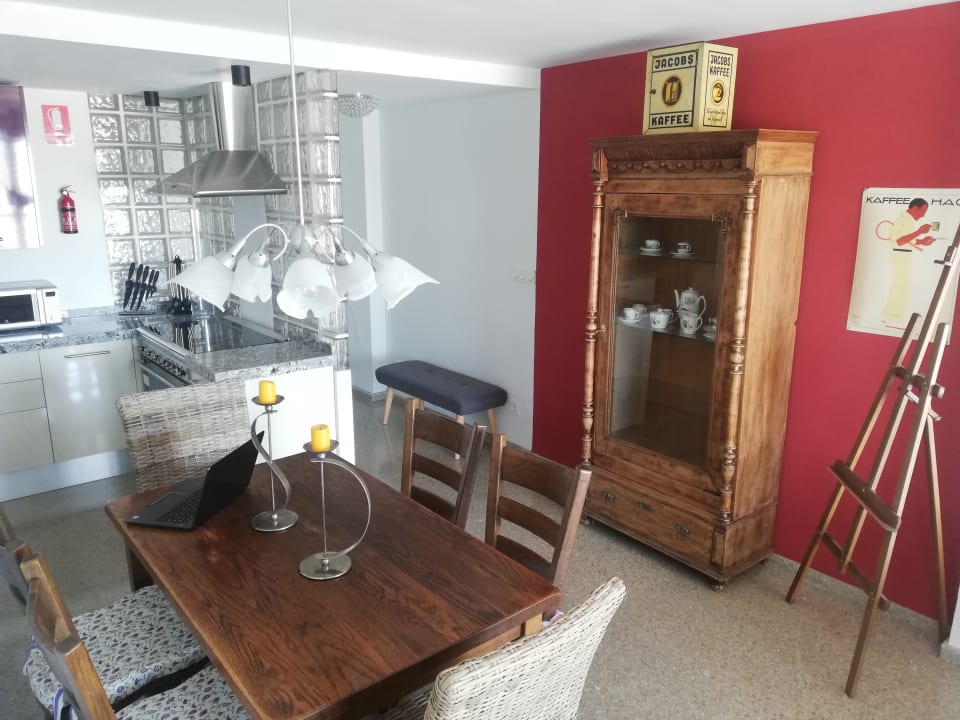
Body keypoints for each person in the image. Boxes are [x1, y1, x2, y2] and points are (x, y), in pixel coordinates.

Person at [881, 197, 934, 328]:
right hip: (900, 255)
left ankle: (891, 317)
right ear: (915, 208)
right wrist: (919, 232)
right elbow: (899, 241)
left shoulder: (907, 220)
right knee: (900, 286)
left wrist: (922, 241)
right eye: (923, 212)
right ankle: (891, 318)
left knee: (901, 286)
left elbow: (906, 239)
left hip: (903, 255)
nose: (923, 215)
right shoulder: (902, 219)